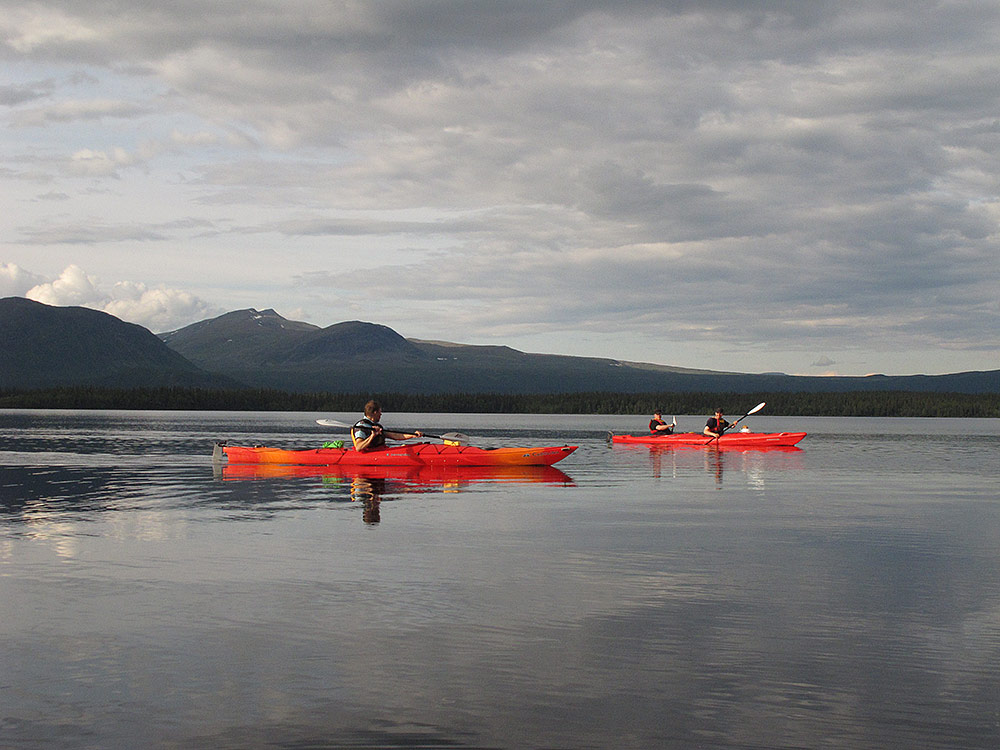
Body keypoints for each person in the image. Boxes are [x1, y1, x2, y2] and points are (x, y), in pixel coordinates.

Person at [351, 400, 423, 452]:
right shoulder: (361, 427)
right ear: (375, 413)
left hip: (381, 450)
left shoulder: (378, 426)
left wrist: (413, 435)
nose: (381, 414)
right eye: (380, 412)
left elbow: (395, 435)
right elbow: (358, 447)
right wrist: (372, 436)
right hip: (369, 454)